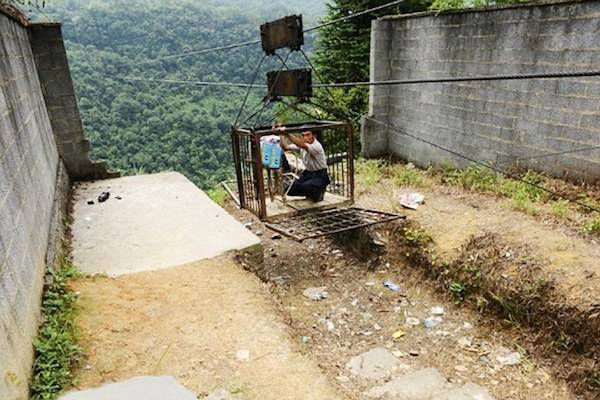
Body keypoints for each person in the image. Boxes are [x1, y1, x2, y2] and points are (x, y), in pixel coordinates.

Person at [276, 126, 330, 202]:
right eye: (303, 135)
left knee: (306, 186)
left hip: (319, 175)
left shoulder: (316, 146)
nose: (305, 138)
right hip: (308, 174)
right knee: (290, 189)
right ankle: (311, 193)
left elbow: (302, 145)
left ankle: (318, 193)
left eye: (308, 135)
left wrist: (287, 134)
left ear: (314, 136)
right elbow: (286, 147)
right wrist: (280, 135)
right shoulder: (302, 145)